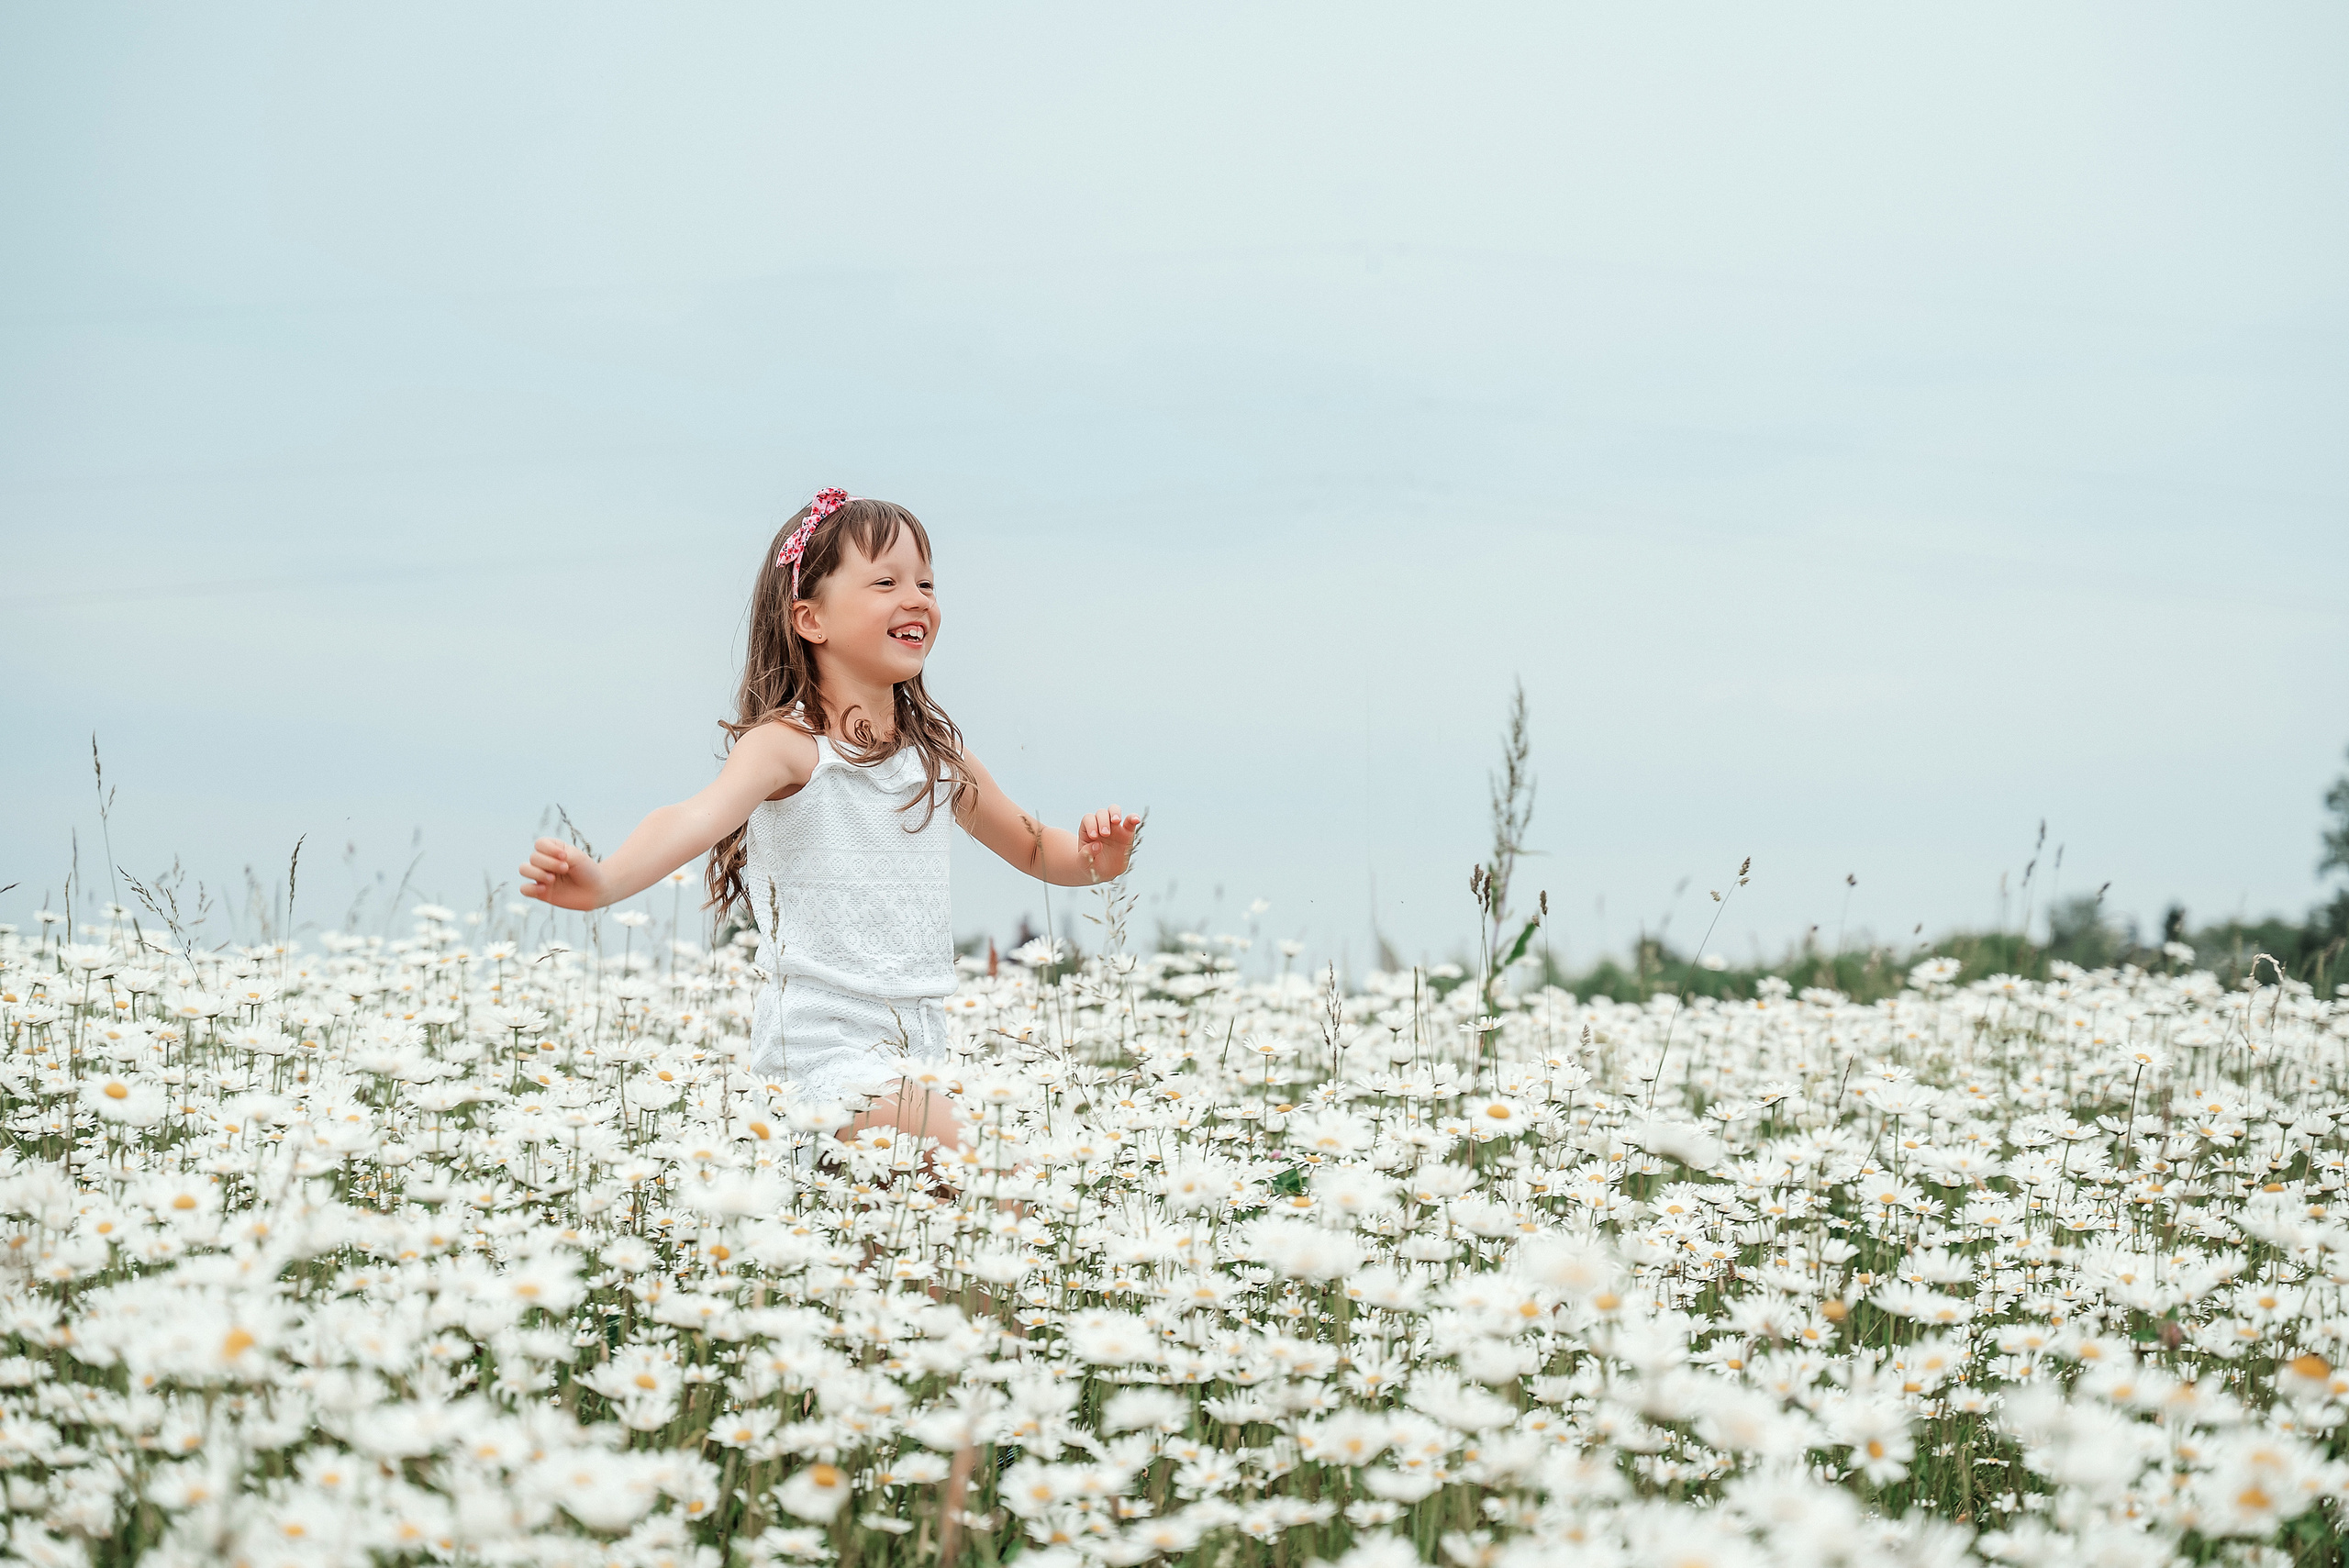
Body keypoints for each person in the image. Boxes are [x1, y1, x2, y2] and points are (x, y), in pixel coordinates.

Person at [517, 488, 1138, 1163]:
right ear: (810, 619)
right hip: (820, 1054)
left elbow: (1035, 848)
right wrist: (605, 882)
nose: (917, 599)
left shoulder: (937, 757)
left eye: (926, 583)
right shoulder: (790, 746)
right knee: (980, 1164)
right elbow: (694, 816)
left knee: (941, 1209)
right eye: (886, 582)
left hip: (920, 1049)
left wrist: (1098, 857)